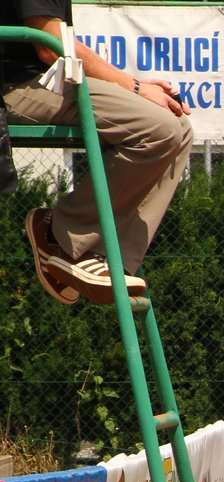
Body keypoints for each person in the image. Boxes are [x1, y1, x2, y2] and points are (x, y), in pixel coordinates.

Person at [2, 0, 191, 305]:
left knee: (179, 126)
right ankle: (58, 234)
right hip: (16, 88)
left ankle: (107, 258)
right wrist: (135, 86)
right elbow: (49, 45)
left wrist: (135, 86)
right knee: (159, 128)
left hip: (52, 80)